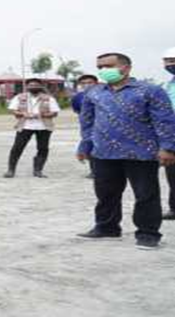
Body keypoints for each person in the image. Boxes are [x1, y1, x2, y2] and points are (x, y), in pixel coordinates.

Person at [76, 52, 175, 250]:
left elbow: (164, 121)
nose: (104, 70)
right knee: (105, 193)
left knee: (146, 195)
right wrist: (85, 145)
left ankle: (148, 234)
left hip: (141, 152)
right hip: (103, 151)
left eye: (108, 66)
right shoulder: (93, 92)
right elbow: (87, 121)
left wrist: (168, 147)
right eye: (100, 67)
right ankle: (107, 227)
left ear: (126, 67)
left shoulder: (150, 90)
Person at [4, 78, 60, 178]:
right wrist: (23, 114)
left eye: (36, 85)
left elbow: (55, 113)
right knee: (17, 148)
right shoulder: (20, 97)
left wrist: (41, 115)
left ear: (41, 86)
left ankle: (38, 170)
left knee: (43, 149)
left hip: (44, 127)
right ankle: (10, 170)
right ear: (27, 87)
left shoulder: (49, 98)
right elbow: (12, 110)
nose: (33, 87)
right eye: (31, 85)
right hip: (25, 126)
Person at [71, 74, 99, 179]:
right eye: (83, 83)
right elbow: (77, 110)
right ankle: (93, 171)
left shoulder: (104, 94)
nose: (86, 85)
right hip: (87, 126)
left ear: (96, 83)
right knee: (89, 146)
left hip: (103, 124)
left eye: (90, 82)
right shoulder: (77, 97)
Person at [162, 48, 175, 220]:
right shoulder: (168, 85)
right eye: (167, 61)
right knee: (172, 174)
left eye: (173, 60)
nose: (170, 64)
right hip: (172, 134)